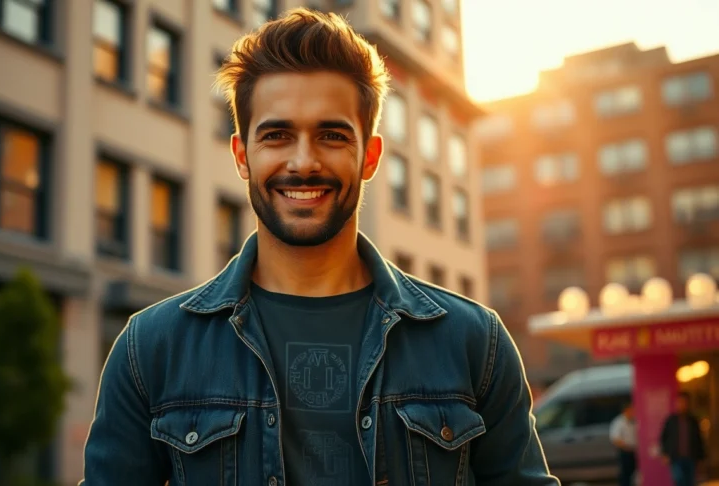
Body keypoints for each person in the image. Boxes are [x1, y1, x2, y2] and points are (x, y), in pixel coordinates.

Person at [80, 8, 559, 485]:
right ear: (242, 156)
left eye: (331, 135)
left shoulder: (473, 342)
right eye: (277, 135)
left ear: (369, 156)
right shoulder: (152, 348)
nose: (304, 162)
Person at [660, 392, 706, 486]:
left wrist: (701, 458)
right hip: (676, 457)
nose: (682, 405)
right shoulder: (671, 420)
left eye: (684, 402)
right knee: (679, 480)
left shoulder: (693, 421)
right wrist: (665, 453)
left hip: (691, 457)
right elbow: (663, 438)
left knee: (690, 481)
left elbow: (698, 440)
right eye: (680, 402)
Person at [609, 402, 638, 486]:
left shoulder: (634, 421)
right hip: (625, 452)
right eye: (632, 410)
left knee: (635, 473)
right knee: (625, 474)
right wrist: (627, 447)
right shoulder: (619, 422)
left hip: (635, 451)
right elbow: (615, 438)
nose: (634, 412)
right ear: (626, 410)